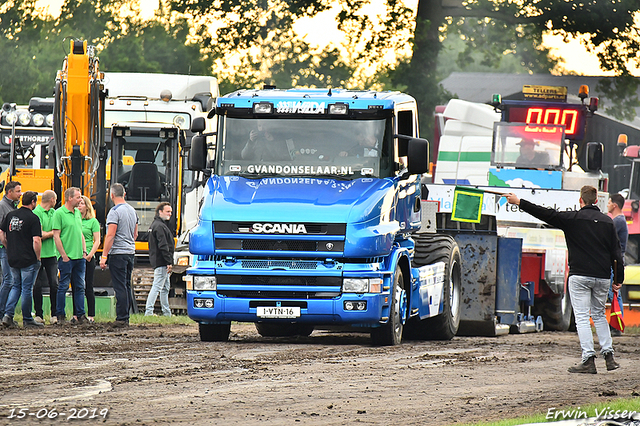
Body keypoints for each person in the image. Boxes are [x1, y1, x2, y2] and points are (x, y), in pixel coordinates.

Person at [505, 185, 624, 374]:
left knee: (583, 318)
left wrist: (519, 202)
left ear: (580, 200)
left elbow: (544, 213)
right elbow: (616, 253)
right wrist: (618, 279)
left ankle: (588, 359)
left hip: (579, 276)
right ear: (596, 201)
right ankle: (609, 357)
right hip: (602, 277)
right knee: (599, 315)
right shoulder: (607, 222)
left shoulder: (572, 219)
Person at [0, 191, 43, 328]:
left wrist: (8, 247)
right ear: (33, 202)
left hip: (12, 257)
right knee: (26, 288)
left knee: (15, 286)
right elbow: (36, 240)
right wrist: (37, 257)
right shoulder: (33, 218)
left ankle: (8, 315)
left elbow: (2, 233)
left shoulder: (10, 215)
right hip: (28, 258)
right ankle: (27, 318)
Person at [100, 183, 138, 328]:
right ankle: (126, 316)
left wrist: (104, 256)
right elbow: (135, 234)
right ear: (124, 194)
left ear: (112, 195)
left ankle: (121, 317)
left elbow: (110, 235)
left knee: (119, 286)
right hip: (130, 252)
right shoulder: (132, 210)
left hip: (118, 253)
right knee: (126, 285)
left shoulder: (114, 212)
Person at [52, 187, 87, 324]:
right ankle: (60, 315)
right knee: (63, 286)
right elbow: (56, 236)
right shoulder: (59, 213)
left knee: (79, 287)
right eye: (78, 197)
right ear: (69, 198)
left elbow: (80, 233)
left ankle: (80, 315)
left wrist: (84, 251)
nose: (80, 200)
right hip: (67, 258)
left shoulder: (77, 213)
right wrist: (63, 255)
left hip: (79, 257)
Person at [33, 189, 59, 325]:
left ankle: (54, 314)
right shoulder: (36, 213)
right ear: (52, 200)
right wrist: (53, 233)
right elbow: (39, 234)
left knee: (54, 284)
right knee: (36, 285)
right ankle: (38, 314)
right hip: (38, 254)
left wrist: (49, 233)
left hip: (52, 254)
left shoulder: (54, 213)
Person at [73, 195, 100, 323]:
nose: (79, 206)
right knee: (76, 286)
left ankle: (91, 315)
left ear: (87, 206)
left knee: (88, 286)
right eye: (78, 204)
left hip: (88, 257)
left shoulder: (92, 222)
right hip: (76, 255)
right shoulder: (74, 219)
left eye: (82, 204)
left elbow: (97, 240)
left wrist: (90, 254)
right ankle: (76, 314)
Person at [145, 202, 174, 317]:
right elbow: (163, 246)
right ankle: (149, 312)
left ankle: (167, 313)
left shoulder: (155, 225)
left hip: (158, 260)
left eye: (171, 212)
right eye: (167, 211)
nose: (170, 214)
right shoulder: (160, 226)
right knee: (157, 287)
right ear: (160, 212)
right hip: (161, 262)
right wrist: (169, 261)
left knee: (165, 288)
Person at [0, 180, 21, 322]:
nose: (20, 194)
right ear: (9, 192)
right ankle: (2, 313)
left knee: (11, 280)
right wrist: (7, 245)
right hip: (5, 248)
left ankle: (6, 313)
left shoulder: (13, 206)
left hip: (11, 248)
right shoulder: (2, 206)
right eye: (18, 191)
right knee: (9, 280)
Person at [607, 193, 628, 336]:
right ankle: (615, 324)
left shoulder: (618, 221)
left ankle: (616, 325)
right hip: (615, 261)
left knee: (614, 293)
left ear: (614, 205)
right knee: (613, 293)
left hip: (615, 262)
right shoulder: (619, 220)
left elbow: (606, 235)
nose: (607, 204)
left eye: (609, 202)